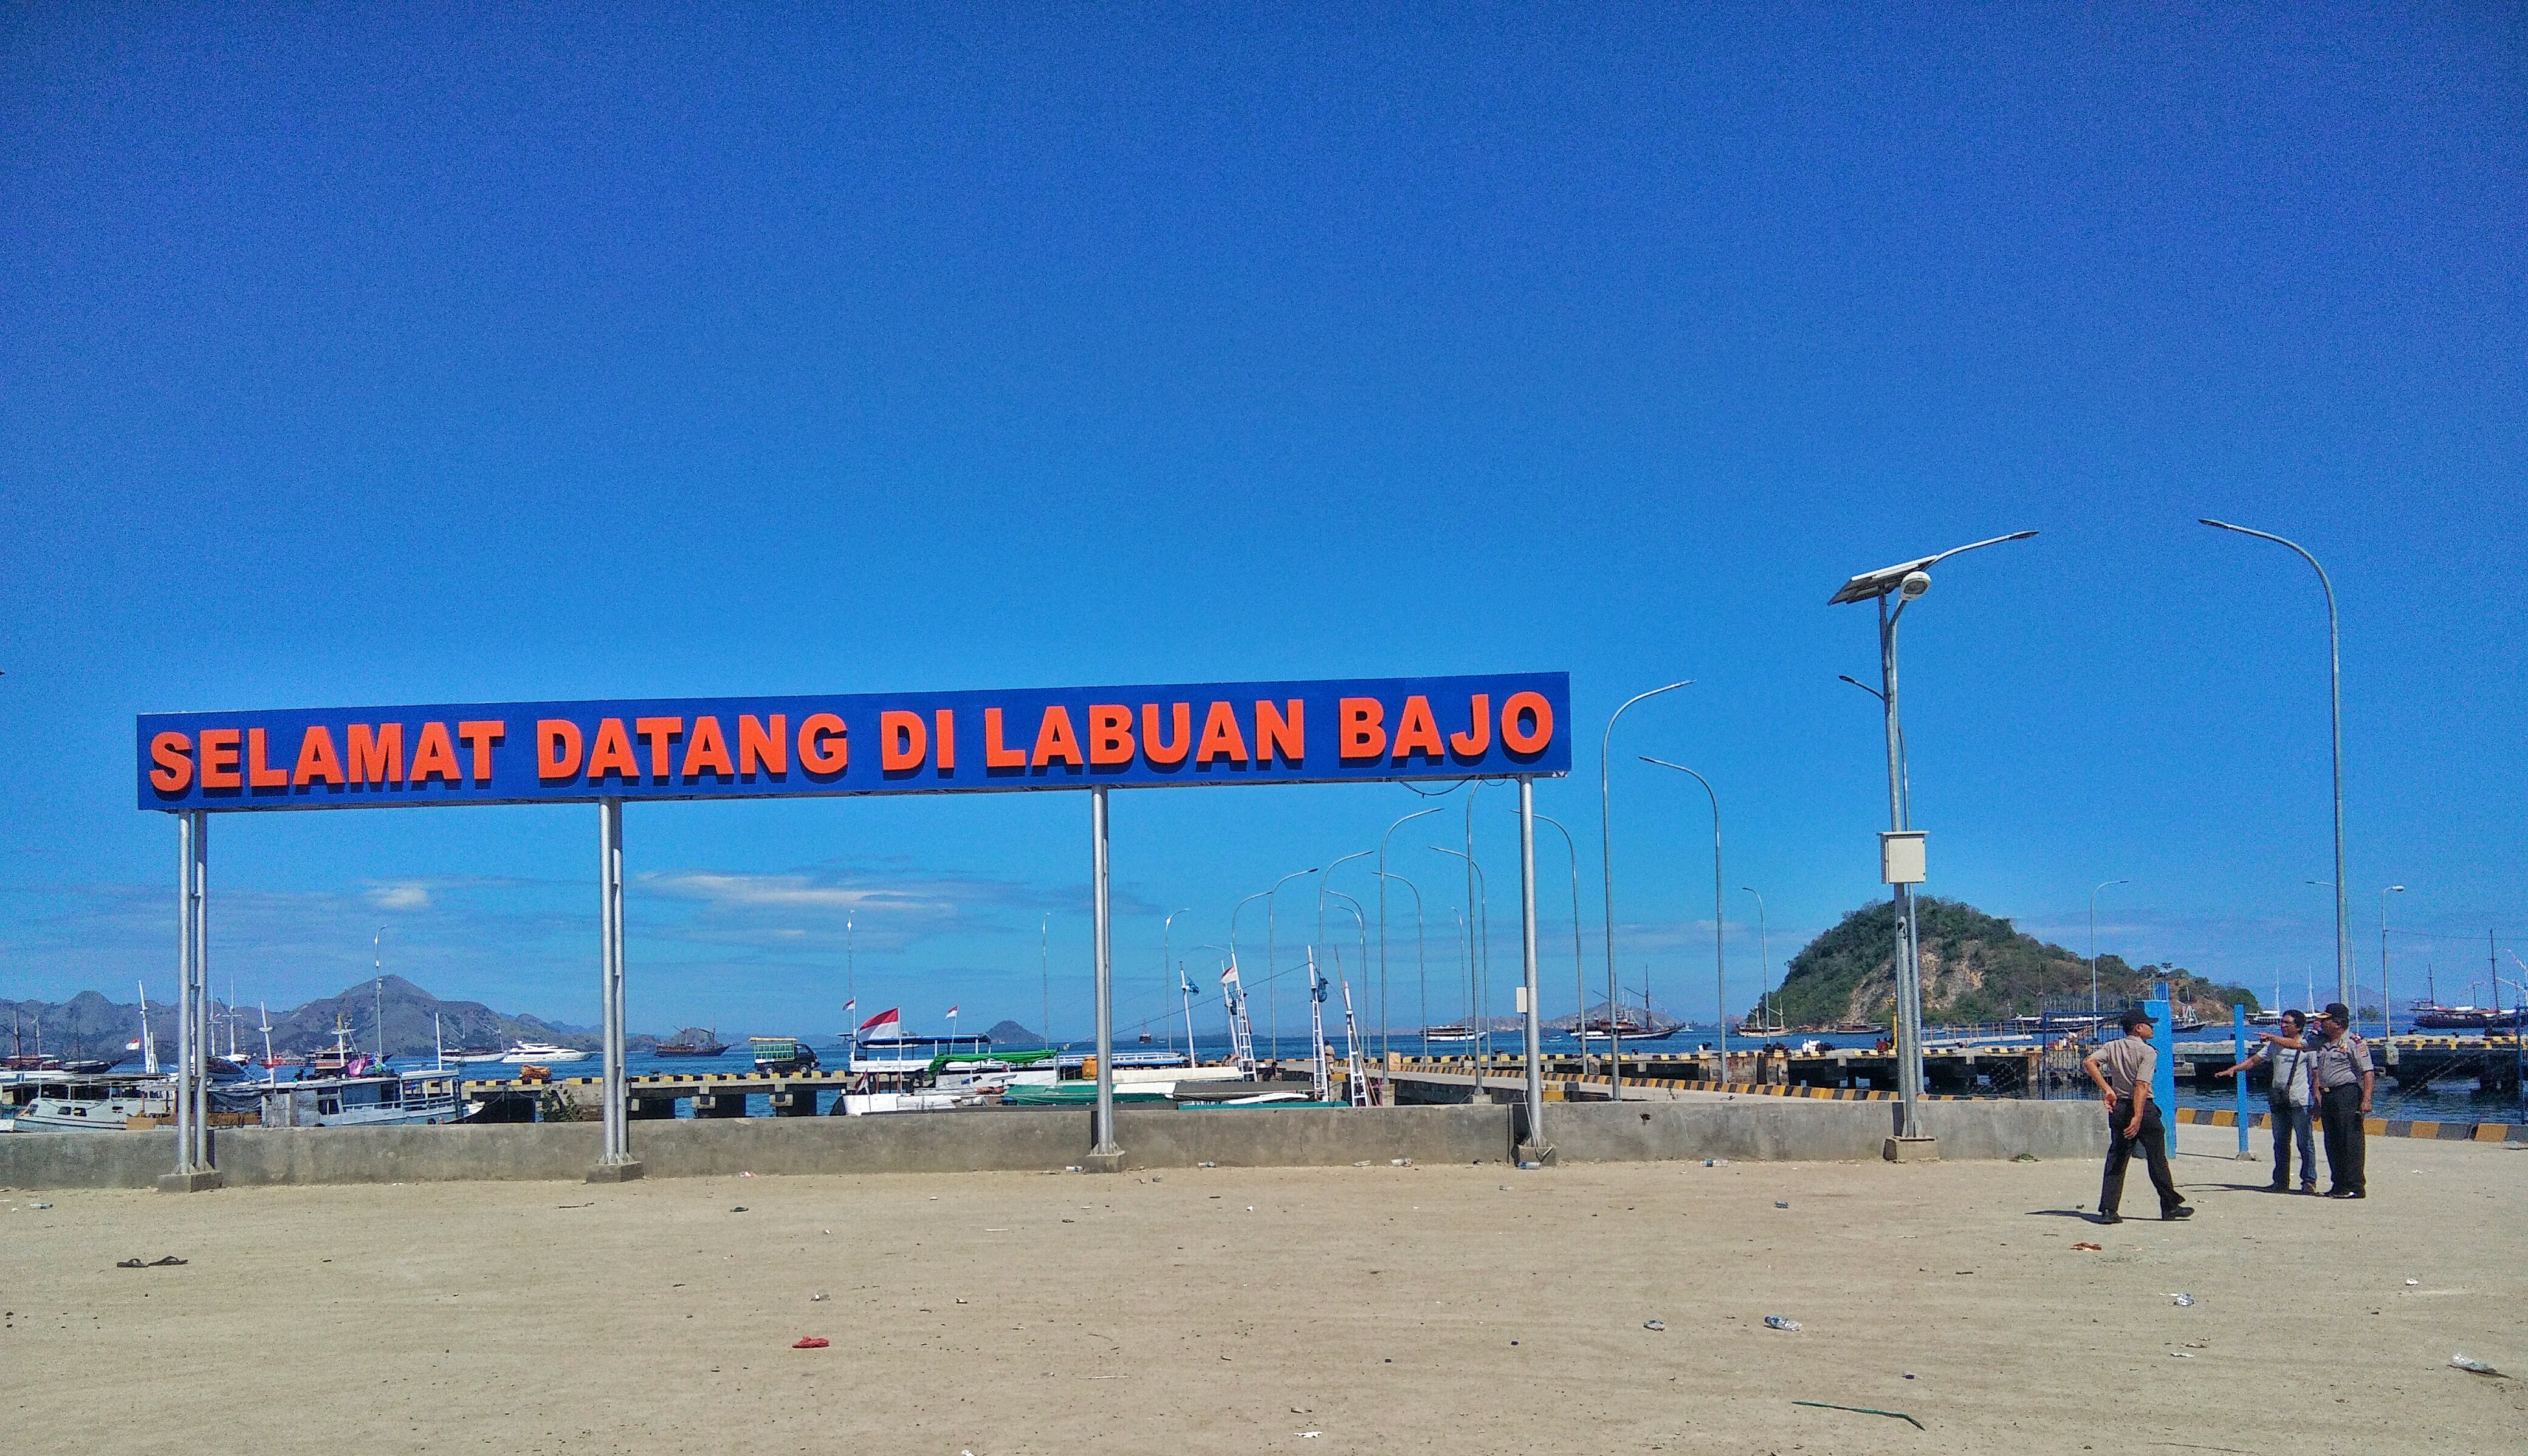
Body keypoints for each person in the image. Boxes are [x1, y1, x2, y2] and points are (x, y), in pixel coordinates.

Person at [2082, 1006, 2193, 1224]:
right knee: (2156, 1158)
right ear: (2138, 1028)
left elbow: (2089, 1062)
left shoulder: (2112, 1046)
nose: (2152, 1029)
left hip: (2119, 1106)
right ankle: (2169, 1206)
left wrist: (2108, 1089)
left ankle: (2109, 1210)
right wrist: (2138, 1116)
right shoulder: (2147, 1051)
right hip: (2142, 1108)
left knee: (2117, 1157)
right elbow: (2141, 1085)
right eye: (2148, 1025)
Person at [2213, 1009, 2317, 1193]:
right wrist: (2234, 1069)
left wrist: (2317, 1099)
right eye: (2282, 1022)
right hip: (2279, 1099)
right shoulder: (2274, 1046)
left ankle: (2309, 1180)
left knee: (2305, 1142)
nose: (2283, 1026)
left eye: (2288, 1023)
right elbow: (2254, 1060)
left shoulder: (2307, 1046)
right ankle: (2280, 1181)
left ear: (2299, 1026)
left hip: (2300, 1100)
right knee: (2280, 1142)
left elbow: (2315, 1074)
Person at [2310, 1001, 2375, 1199]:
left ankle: (2356, 1186)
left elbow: (2368, 1072)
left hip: (2347, 1095)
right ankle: (2339, 1185)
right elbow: (2299, 1046)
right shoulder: (2322, 1043)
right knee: (2332, 1142)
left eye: (2326, 1020)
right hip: (2328, 1096)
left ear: (2337, 1023)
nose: (2322, 1024)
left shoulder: (2353, 1043)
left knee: (2350, 1141)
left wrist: (2366, 1099)